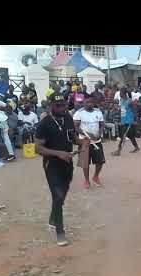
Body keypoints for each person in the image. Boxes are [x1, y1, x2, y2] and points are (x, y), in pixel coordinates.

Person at [35, 93, 77, 247]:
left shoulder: (68, 119)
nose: (62, 108)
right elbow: (38, 148)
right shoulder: (44, 123)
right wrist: (58, 153)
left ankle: (53, 216)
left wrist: (83, 142)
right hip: (52, 165)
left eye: (64, 105)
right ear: (51, 106)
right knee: (58, 196)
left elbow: (72, 137)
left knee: (62, 194)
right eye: (58, 105)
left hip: (68, 163)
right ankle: (60, 232)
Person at [73, 97, 105, 189]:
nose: (89, 104)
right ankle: (87, 180)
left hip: (97, 141)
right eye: (87, 102)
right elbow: (76, 127)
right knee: (85, 162)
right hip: (84, 141)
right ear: (84, 103)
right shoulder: (79, 113)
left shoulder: (98, 112)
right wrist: (87, 135)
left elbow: (102, 124)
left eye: (91, 102)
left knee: (100, 161)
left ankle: (95, 176)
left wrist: (99, 134)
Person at [112, 88, 140, 156]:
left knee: (123, 136)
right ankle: (136, 147)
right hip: (123, 121)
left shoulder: (129, 101)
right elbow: (122, 110)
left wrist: (136, 120)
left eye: (121, 93)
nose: (120, 94)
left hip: (129, 121)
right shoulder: (121, 100)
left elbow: (135, 110)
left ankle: (118, 150)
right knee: (130, 136)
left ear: (124, 93)